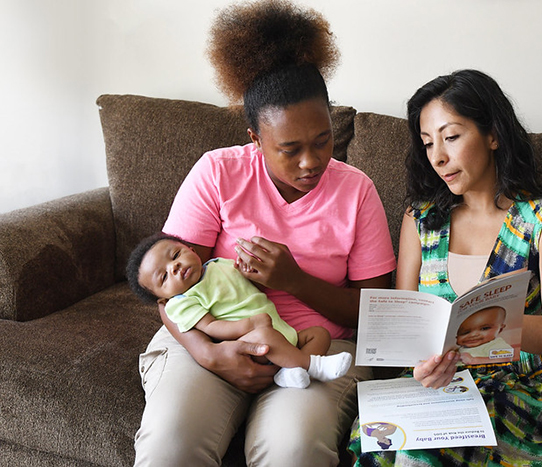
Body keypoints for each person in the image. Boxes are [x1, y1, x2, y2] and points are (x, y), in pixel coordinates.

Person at [133, 1, 396, 466]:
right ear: (255, 138)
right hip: (216, 337)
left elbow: (374, 313)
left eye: (323, 140)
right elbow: (167, 287)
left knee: (292, 448)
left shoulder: (357, 192)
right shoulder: (218, 172)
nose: (311, 162)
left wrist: (294, 281)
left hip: (317, 346)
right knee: (170, 444)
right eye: (289, 149)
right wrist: (210, 354)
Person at [348, 69, 542, 466]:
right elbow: (405, 332)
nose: (438, 156)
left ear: (493, 134)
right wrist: (422, 365)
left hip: (520, 385)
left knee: (420, 458)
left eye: (451, 136)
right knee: (388, 446)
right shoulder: (420, 219)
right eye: (428, 144)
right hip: (436, 384)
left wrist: (488, 330)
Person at [127, 233, 352, 389]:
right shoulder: (182, 302)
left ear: (191, 250)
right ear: (162, 298)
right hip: (251, 343)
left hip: (283, 330)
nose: (174, 267)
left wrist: (249, 273)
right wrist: (248, 326)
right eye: (164, 277)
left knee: (319, 333)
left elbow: (249, 289)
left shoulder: (218, 265)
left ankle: (290, 371)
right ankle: (314, 366)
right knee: (266, 337)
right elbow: (210, 326)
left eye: (176, 255)